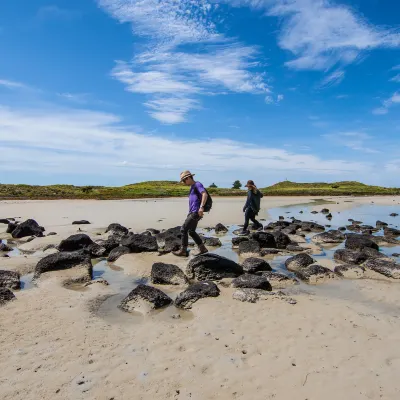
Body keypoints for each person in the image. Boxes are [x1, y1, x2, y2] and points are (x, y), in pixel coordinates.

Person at [173, 170, 209, 257]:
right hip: (192, 212)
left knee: (183, 229)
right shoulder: (192, 187)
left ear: (188, 178)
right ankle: (202, 248)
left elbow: (204, 194)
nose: (184, 183)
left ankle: (183, 250)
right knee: (191, 231)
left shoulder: (197, 184)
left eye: (184, 181)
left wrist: (201, 207)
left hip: (196, 212)